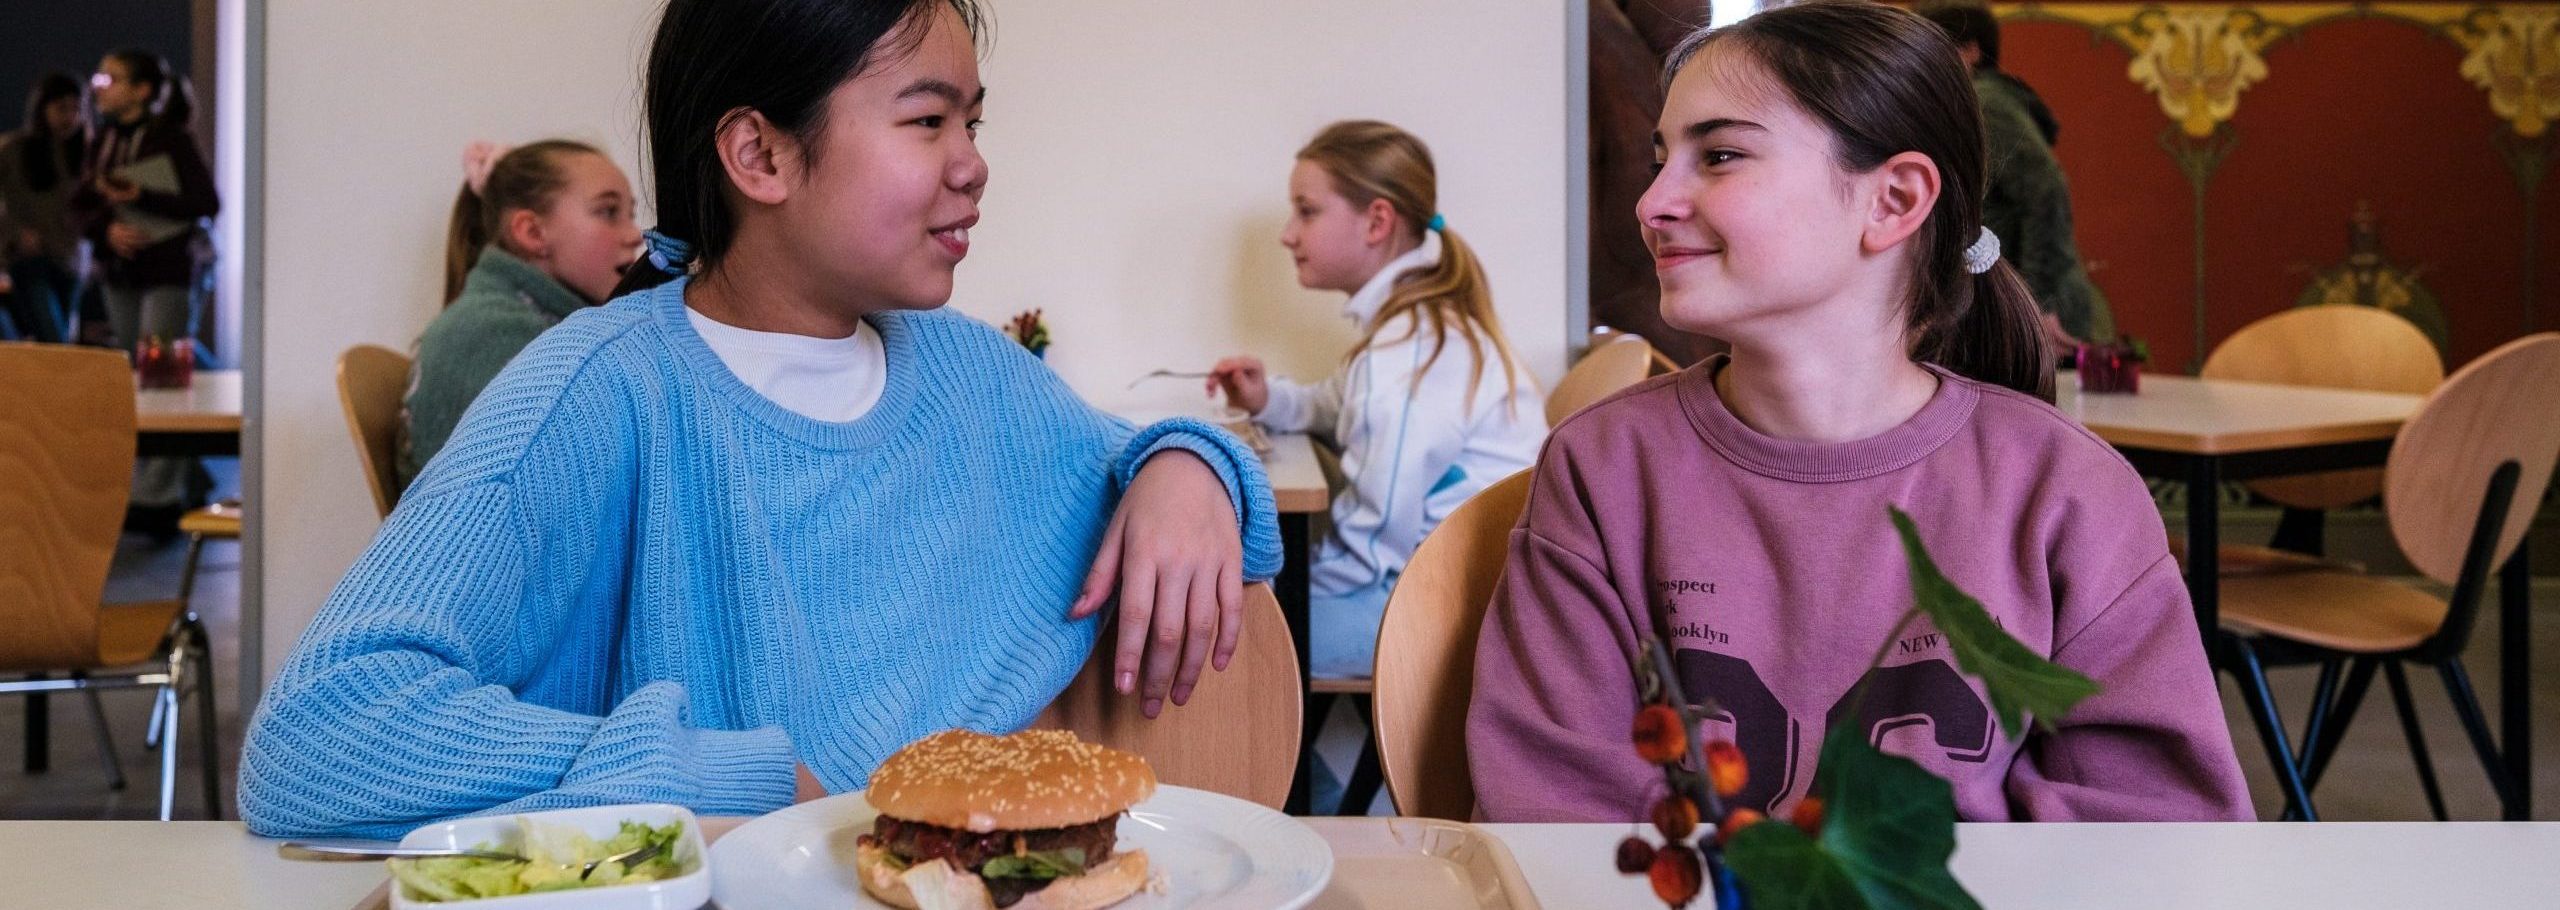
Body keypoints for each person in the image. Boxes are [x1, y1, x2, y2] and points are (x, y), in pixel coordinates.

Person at [240, 0, 1281, 838]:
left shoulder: (971, 369)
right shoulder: (597, 392)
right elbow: (313, 743)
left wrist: (1188, 463)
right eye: (927, 120)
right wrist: (702, 772)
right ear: (761, 157)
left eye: (974, 119)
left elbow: (1120, 457)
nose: (972, 161)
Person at [1466, 0, 2248, 823]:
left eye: (1720, 155)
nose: (1651, 202)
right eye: (1661, 159)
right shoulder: (1602, 468)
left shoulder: (2070, 493)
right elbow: (1554, 811)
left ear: (1894, 200)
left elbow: (2153, 832)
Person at [1208, 121, 1543, 681]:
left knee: (1227, 640)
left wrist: (1284, 592)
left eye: (1306, 211)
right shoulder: (1407, 335)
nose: (1288, 234)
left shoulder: (1409, 351)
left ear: (1377, 221)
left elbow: (1376, 534)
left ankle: (1298, 770)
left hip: (1441, 607)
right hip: (1439, 586)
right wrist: (1268, 400)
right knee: (1235, 616)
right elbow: (1331, 405)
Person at [400, 139, 644, 492]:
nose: (635, 235)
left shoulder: (536, 323)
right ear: (532, 232)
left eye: (630, 214)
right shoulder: (490, 335)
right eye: (608, 212)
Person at [75, 50, 222, 537]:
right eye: (98, 78)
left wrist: (143, 197)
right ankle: (187, 478)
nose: (100, 87)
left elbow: (206, 202)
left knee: (160, 374)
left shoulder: (170, 139)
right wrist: (106, 231)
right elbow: (81, 204)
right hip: (121, 270)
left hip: (166, 268)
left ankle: (157, 497)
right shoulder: (103, 139)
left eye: (110, 78)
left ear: (141, 90)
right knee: (135, 375)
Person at [1916, 0, 2114, 348]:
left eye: (1932, 49)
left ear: (1971, 51)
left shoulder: (1985, 103)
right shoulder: (1989, 101)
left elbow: (2047, 192)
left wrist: (2041, 303)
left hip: (2038, 313)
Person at [0, 73, 90, 343]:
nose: (70, 117)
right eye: (62, 108)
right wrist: (16, 232)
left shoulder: (86, 152)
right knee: (52, 333)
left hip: (71, 259)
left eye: (76, 108)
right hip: (29, 256)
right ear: (42, 108)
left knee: (60, 333)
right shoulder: (13, 149)